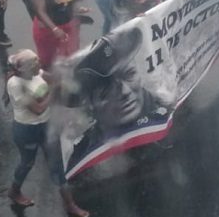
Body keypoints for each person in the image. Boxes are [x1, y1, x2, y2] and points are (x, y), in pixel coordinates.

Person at [62, 27, 171, 177]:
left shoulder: (168, 112)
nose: (125, 92)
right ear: (90, 104)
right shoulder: (84, 157)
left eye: (129, 75)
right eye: (106, 91)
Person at [5, 49, 89, 217]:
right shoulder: (15, 85)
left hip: (46, 126)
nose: (39, 64)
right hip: (27, 130)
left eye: (37, 60)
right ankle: (14, 191)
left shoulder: (37, 73)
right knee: (27, 163)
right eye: (34, 63)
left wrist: (64, 75)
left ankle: (70, 205)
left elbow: (54, 79)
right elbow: (38, 109)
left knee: (57, 166)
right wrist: (54, 90)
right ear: (24, 69)